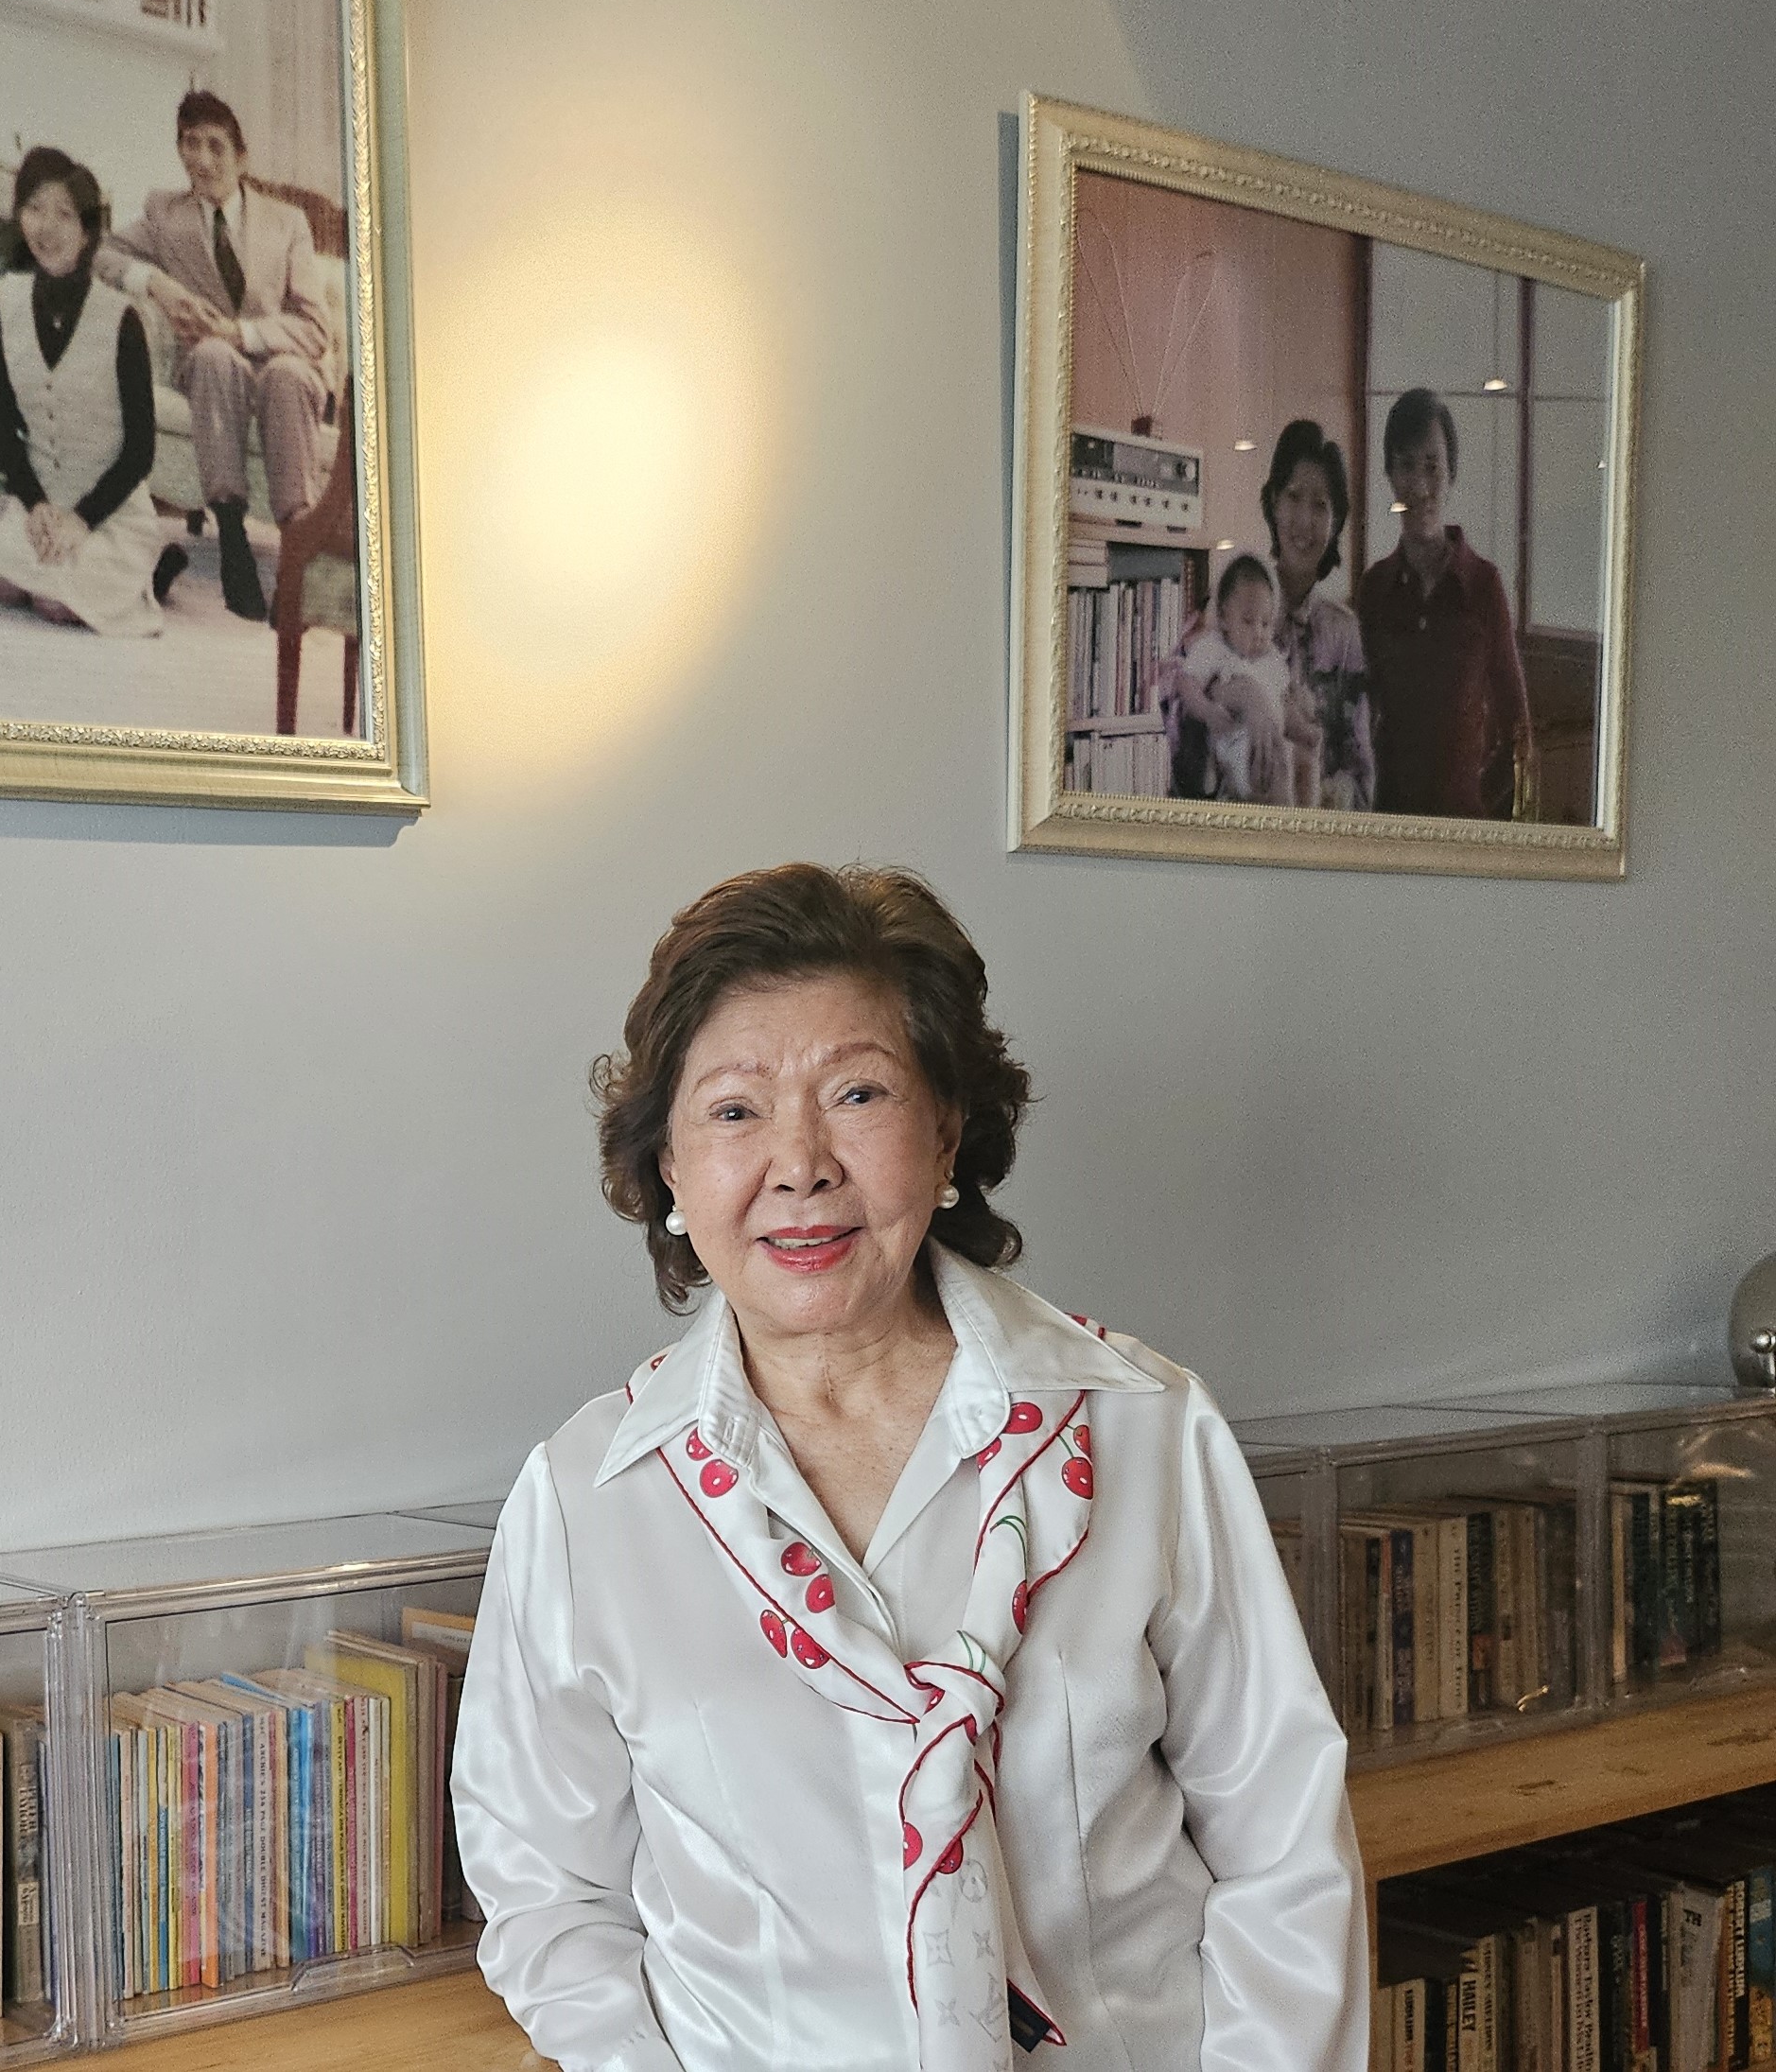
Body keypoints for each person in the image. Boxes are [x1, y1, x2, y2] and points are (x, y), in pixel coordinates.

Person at [453, 863, 1364, 2072]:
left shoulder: (1139, 1425)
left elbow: (1284, 1845)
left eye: (859, 1094)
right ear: (668, 1169)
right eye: (733, 1112)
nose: (799, 1163)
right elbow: (548, 1895)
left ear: (947, 1136)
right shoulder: (589, 1497)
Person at [97, 91, 331, 620]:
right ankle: (232, 540)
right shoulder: (166, 214)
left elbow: (314, 328)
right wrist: (155, 282)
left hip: (279, 361)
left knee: (288, 374)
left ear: (241, 158)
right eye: (189, 144)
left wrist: (240, 331)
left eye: (215, 146)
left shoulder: (288, 222)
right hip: (212, 373)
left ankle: (297, 553)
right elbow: (102, 253)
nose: (200, 160)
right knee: (209, 357)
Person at [0, 150, 185, 638]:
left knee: (54, 603)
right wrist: (36, 506)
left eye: (64, 214)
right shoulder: (3, 300)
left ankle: (152, 566)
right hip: (44, 498)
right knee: (1, 584)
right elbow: (0, 423)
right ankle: (97, 565)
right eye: (34, 209)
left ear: (89, 231)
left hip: (107, 506)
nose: (46, 227)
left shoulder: (121, 319)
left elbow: (140, 452)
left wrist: (81, 521)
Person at [1354, 388, 1534, 818]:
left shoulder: (1484, 585)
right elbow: (1358, 715)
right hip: (1387, 825)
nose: (1419, 485)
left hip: (1466, 833)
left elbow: (1517, 728)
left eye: (1433, 466)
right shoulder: (1374, 588)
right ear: (1389, 476)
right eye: (1406, 466)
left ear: (1452, 473)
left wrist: (1482, 814)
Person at [1256, 418, 1376, 811]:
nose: (1304, 521)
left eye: (1320, 505)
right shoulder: (1235, 609)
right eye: (1293, 496)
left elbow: (1360, 771)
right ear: (1274, 501)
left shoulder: (1343, 632)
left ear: (1337, 521)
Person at [1174, 552, 1295, 804]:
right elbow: (1186, 682)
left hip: (1274, 741)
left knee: (1286, 763)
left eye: (1266, 622)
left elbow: (1285, 698)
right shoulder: (1214, 648)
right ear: (1224, 616)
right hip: (1233, 742)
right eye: (1249, 621)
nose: (1259, 633)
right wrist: (1207, 711)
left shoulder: (1271, 657)